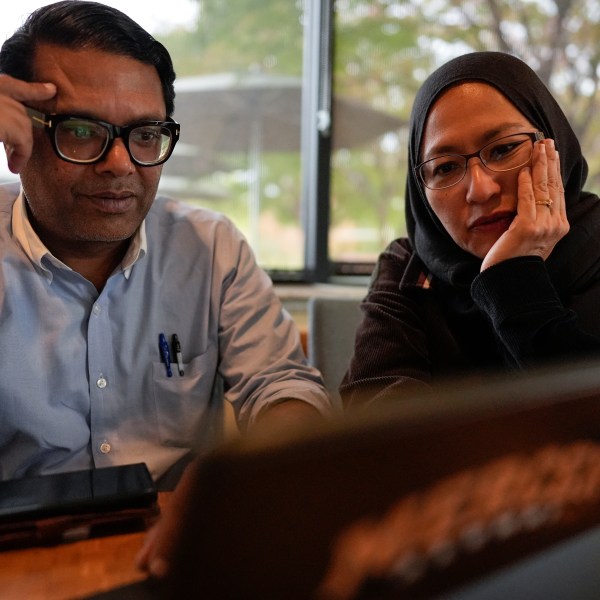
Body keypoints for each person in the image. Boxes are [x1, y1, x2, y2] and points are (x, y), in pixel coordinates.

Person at [0, 1, 331, 485]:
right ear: (15, 144)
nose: (120, 164)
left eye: (145, 134)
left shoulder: (209, 248)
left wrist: (248, 472)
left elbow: (281, 384)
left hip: (171, 535)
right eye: (82, 131)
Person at [341, 51, 600, 407]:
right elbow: (377, 432)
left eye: (504, 149)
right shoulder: (409, 269)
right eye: (445, 168)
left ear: (552, 143)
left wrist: (513, 285)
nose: (481, 190)